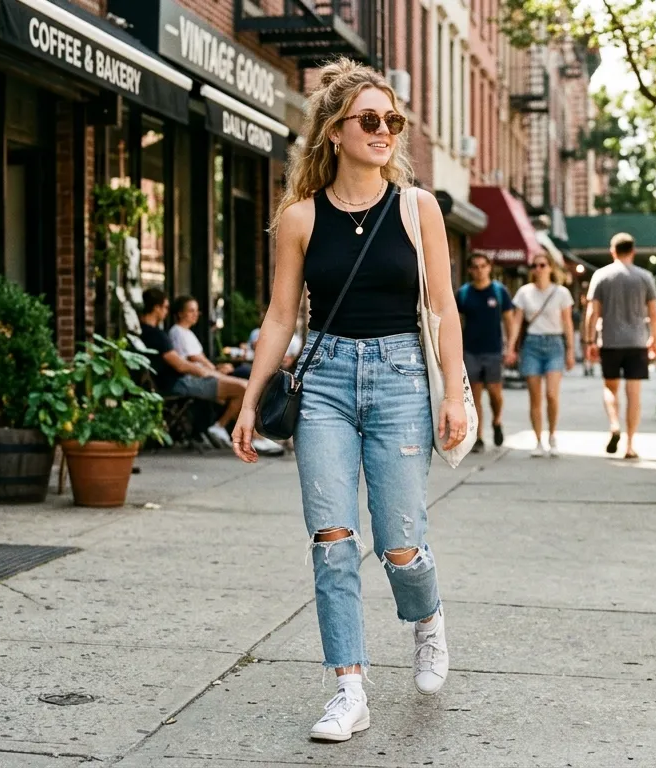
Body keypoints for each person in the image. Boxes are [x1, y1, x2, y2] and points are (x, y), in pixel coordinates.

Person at [229, 60, 466, 743]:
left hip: (399, 380)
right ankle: (349, 688)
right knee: (332, 539)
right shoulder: (300, 217)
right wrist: (249, 405)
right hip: (326, 382)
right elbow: (279, 318)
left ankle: (426, 619)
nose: (385, 130)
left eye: (393, 120)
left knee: (400, 545)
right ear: (335, 132)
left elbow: (443, 309)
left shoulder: (419, 209)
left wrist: (454, 392)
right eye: (370, 119)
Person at [136, 289, 282, 455]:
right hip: (178, 382)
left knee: (245, 384)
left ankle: (247, 435)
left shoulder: (147, 333)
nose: (166, 311)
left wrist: (210, 371)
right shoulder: (157, 335)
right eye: (165, 307)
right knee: (244, 387)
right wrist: (207, 372)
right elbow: (181, 365)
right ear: (156, 308)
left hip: (179, 380)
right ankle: (236, 432)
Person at [584, 233, 656, 460]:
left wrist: (589, 340)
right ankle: (629, 445)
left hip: (610, 341)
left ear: (613, 251)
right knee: (634, 394)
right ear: (633, 251)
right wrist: (654, 339)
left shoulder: (601, 276)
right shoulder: (645, 277)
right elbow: (654, 314)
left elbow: (592, 312)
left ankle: (614, 424)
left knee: (610, 388)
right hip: (637, 342)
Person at [506, 256, 575, 457]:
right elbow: (517, 322)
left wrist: (570, 350)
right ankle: (538, 441)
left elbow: (568, 323)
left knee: (552, 395)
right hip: (532, 345)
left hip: (555, 344)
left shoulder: (561, 292)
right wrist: (510, 347)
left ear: (550, 268)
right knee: (535, 398)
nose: (538, 268)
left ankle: (552, 435)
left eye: (542, 265)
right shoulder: (524, 292)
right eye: (535, 265)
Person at [455, 253, 515, 453]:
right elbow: (454, 322)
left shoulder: (499, 292)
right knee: (474, 397)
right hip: (470, 351)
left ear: (489, 267)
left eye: (483, 266)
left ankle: (497, 421)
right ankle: (478, 437)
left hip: (493, 350)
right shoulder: (464, 294)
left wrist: (511, 346)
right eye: (476, 267)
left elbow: (509, 320)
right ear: (470, 270)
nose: (480, 270)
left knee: (496, 394)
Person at [168, 295, 234, 375]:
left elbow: (200, 357)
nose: (196, 314)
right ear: (180, 313)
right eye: (191, 311)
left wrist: (217, 367)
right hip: (194, 377)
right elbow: (193, 357)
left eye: (197, 311)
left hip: (205, 373)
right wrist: (215, 370)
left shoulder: (188, 332)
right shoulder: (177, 332)